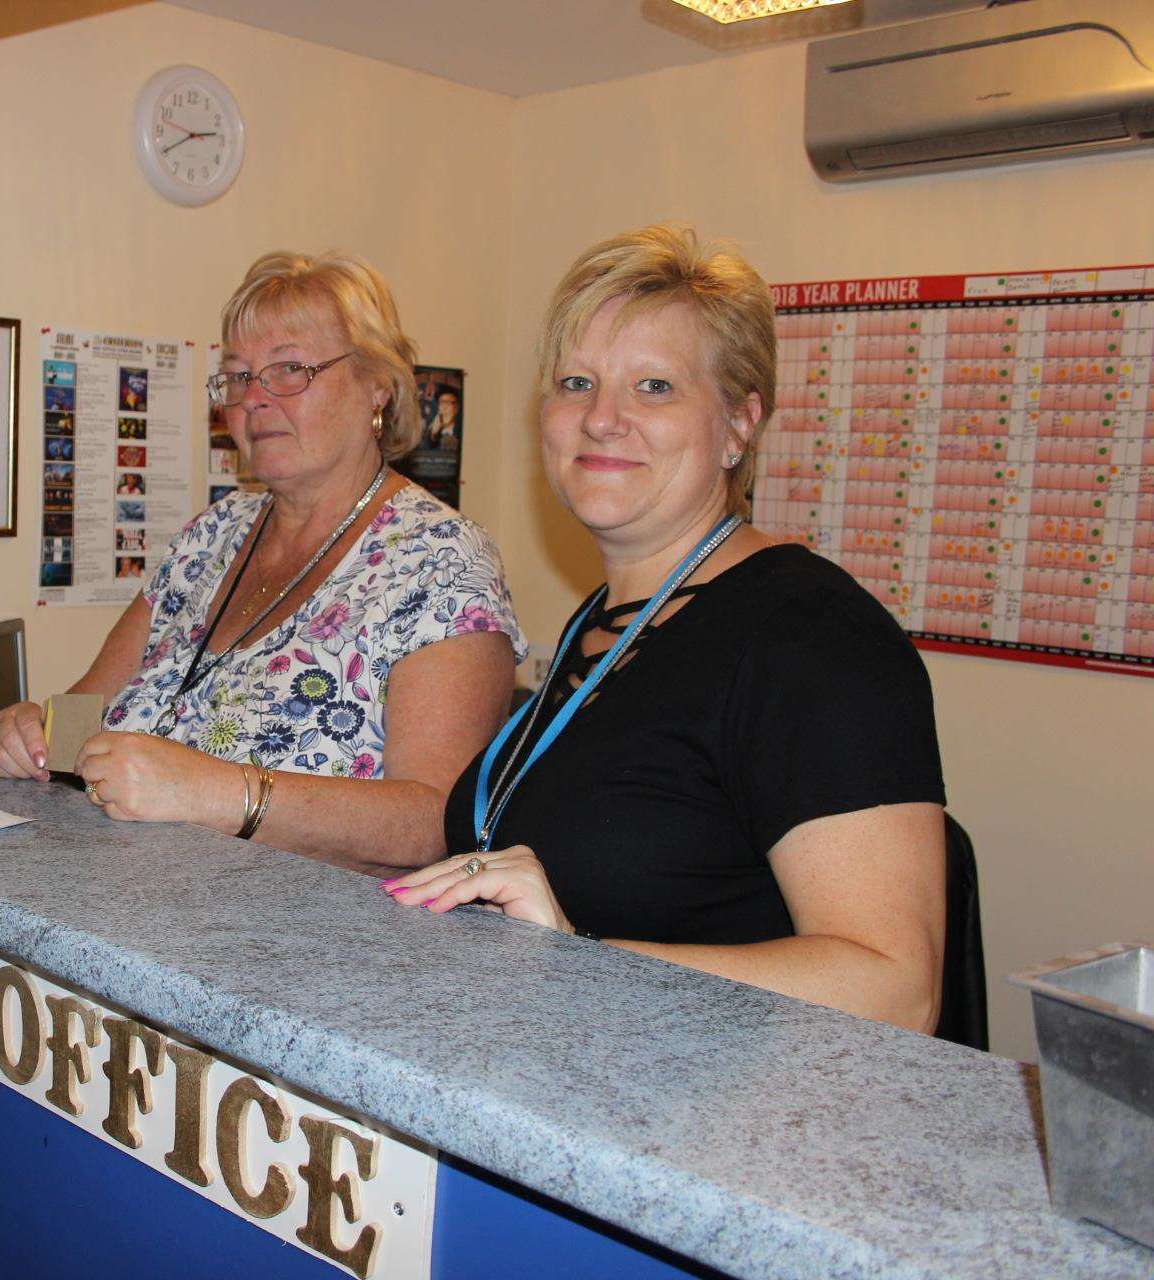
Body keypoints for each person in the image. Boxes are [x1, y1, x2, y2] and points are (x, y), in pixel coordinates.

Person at [385, 225, 946, 1033]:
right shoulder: (605, 621)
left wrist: (577, 955)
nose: (602, 418)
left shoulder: (813, 638)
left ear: (740, 424)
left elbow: (896, 991)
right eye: (577, 381)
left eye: (654, 387)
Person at [0, 251, 525, 874]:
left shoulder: (442, 563)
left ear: (379, 385)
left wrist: (217, 791)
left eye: (290, 369)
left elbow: (436, 823)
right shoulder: (210, 537)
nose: (254, 400)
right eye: (238, 377)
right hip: (137, 906)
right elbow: (86, 715)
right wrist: (31, 731)